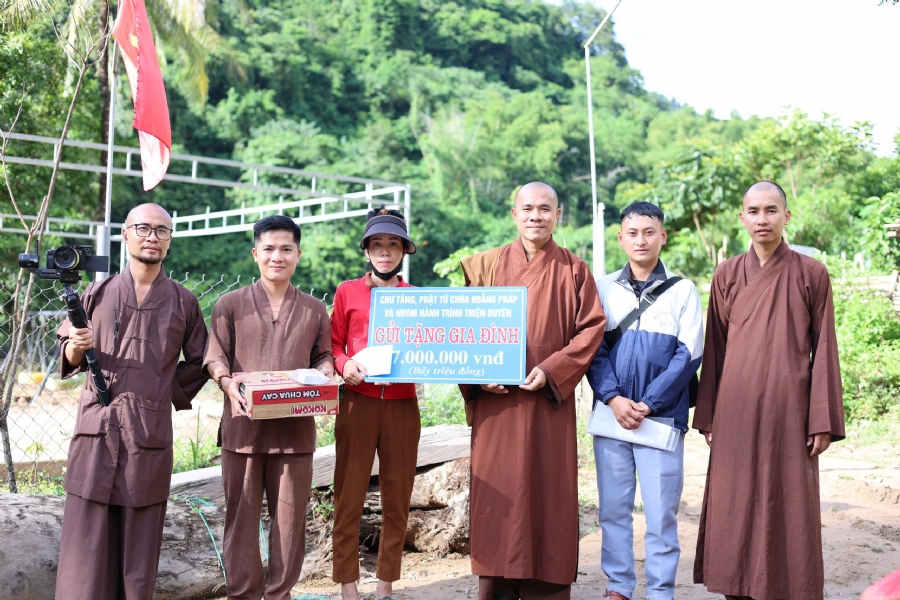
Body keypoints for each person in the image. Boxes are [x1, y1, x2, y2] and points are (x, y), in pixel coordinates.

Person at [692, 180, 845, 600]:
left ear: (786, 216)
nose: (762, 219)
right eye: (754, 211)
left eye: (771, 210)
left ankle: (785, 587)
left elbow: (824, 349)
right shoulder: (726, 274)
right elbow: (715, 351)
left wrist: (822, 419)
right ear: (742, 217)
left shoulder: (810, 272)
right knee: (735, 500)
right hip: (736, 411)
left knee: (787, 500)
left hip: (789, 412)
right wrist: (708, 417)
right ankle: (735, 589)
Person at [458, 181, 607, 600]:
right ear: (514, 213)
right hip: (497, 408)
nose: (535, 216)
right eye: (527, 208)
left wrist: (551, 369)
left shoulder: (575, 270)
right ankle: (497, 587)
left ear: (558, 215)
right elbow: (463, 329)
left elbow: (590, 331)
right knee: (498, 494)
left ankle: (547, 588)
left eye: (545, 208)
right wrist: (476, 374)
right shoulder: (485, 267)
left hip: (547, 406)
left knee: (548, 495)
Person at [55, 203, 209, 600]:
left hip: (148, 434)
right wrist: (76, 344)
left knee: (137, 556)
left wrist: (162, 391)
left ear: (170, 241)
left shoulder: (183, 301)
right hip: (96, 431)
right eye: (143, 228)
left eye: (162, 231)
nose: (152, 237)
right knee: (84, 552)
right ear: (125, 234)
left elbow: (201, 360)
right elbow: (69, 357)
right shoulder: (97, 292)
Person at [204, 216, 334, 600]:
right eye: (269, 249)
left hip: (294, 433)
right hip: (242, 428)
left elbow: (323, 355)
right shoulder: (230, 304)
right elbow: (215, 357)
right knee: (240, 520)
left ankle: (280, 594)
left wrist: (325, 372)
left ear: (298, 254)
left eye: (286, 249)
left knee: (290, 523)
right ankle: (243, 594)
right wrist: (228, 384)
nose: (277, 256)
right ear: (255, 254)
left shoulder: (314, 309)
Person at [586, 202, 703, 600]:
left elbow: (688, 354)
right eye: (632, 233)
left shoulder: (684, 290)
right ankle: (619, 586)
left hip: (662, 418)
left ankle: (660, 591)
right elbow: (593, 350)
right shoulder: (602, 288)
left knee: (661, 514)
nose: (641, 240)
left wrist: (649, 404)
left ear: (663, 236)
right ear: (620, 238)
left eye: (649, 232)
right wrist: (614, 398)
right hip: (611, 417)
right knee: (613, 511)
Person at [330, 205, 420, 600]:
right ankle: (348, 585)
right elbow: (332, 344)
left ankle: (385, 586)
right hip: (358, 403)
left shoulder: (417, 299)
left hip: (402, 404)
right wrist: (343, 362)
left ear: (403, 251)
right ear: (367, 250)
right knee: (348, 493)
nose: (385, 251)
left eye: (393, 244)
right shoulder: (348, 291)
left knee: (397, 497)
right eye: (377, 244)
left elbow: (433, 349)